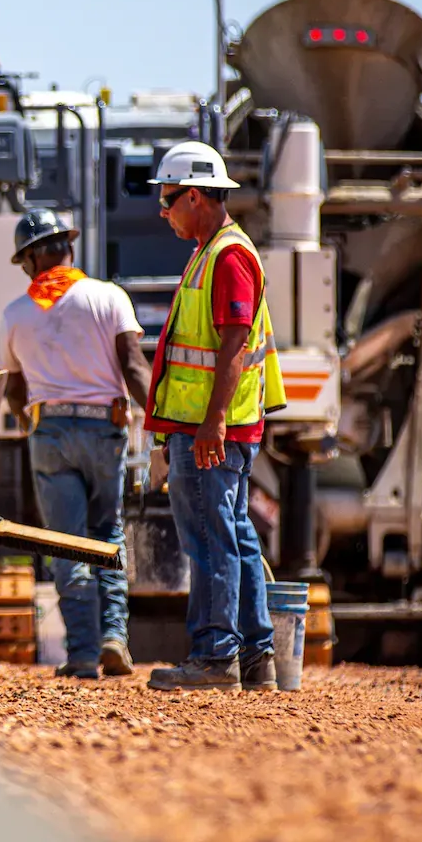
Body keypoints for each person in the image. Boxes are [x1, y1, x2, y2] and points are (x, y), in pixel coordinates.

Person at [141, 143, 287, 690]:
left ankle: (215, 655)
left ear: (195, 196)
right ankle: (255, 658)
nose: (163, 212)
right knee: (234, 535)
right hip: (211, 426)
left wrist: (212, 423)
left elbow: (233, 345)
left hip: (212, 430)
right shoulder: (213, 250)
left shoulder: (227, 256)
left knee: (210, 538)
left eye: (168, 200)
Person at [0, 207, 150, 680]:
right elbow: (134, 367)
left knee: (67, 543)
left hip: (51, 433)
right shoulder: (109, 298)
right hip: (105, 429)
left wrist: (31, 418)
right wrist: (164, 427)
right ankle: (113, 636)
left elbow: (13, 387)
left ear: (33, 258)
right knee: (108, 534)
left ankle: (82, 653)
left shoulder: (17, 313)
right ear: (67, 247)